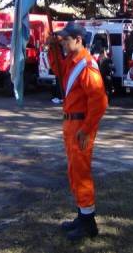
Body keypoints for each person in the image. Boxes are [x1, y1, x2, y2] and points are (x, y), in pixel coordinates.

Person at [47, 22, 108, 241]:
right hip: (72, 125)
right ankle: (82, 216)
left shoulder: (86, 65)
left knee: (81, 173)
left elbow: (99, 101)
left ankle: (88, 223)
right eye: (61, 39)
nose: (62, 42)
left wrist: (86, 129)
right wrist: (51, 49)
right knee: (74, 171)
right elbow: (58, 70)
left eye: (65, 39)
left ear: (78, 40)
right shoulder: (72, 62)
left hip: (81, 126)